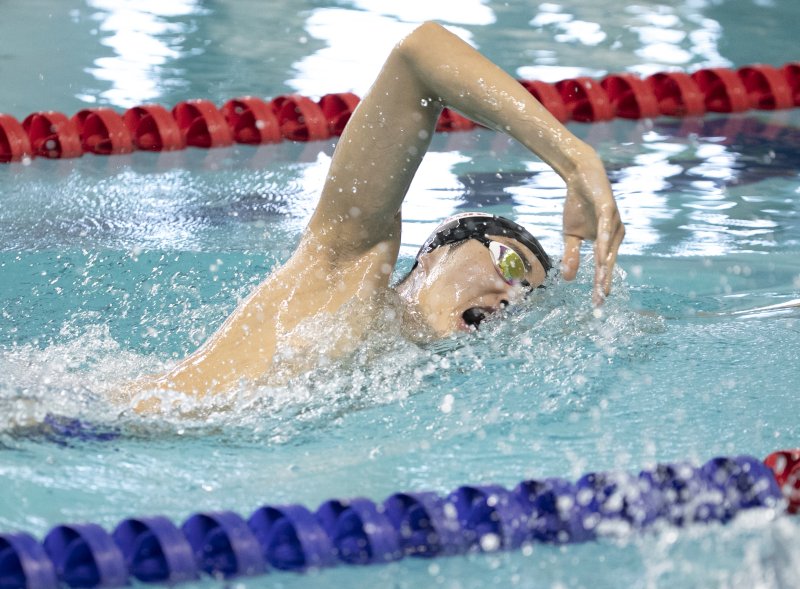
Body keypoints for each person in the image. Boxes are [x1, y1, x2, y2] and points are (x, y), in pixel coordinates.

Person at [125, 22, 625, 411]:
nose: (512, 296)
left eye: (527, 296)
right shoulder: (349, 273)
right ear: (433, 256)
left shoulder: (405, 377)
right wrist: (574, 160)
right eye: (509, 265)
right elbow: (421, 56)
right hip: (89, 423)